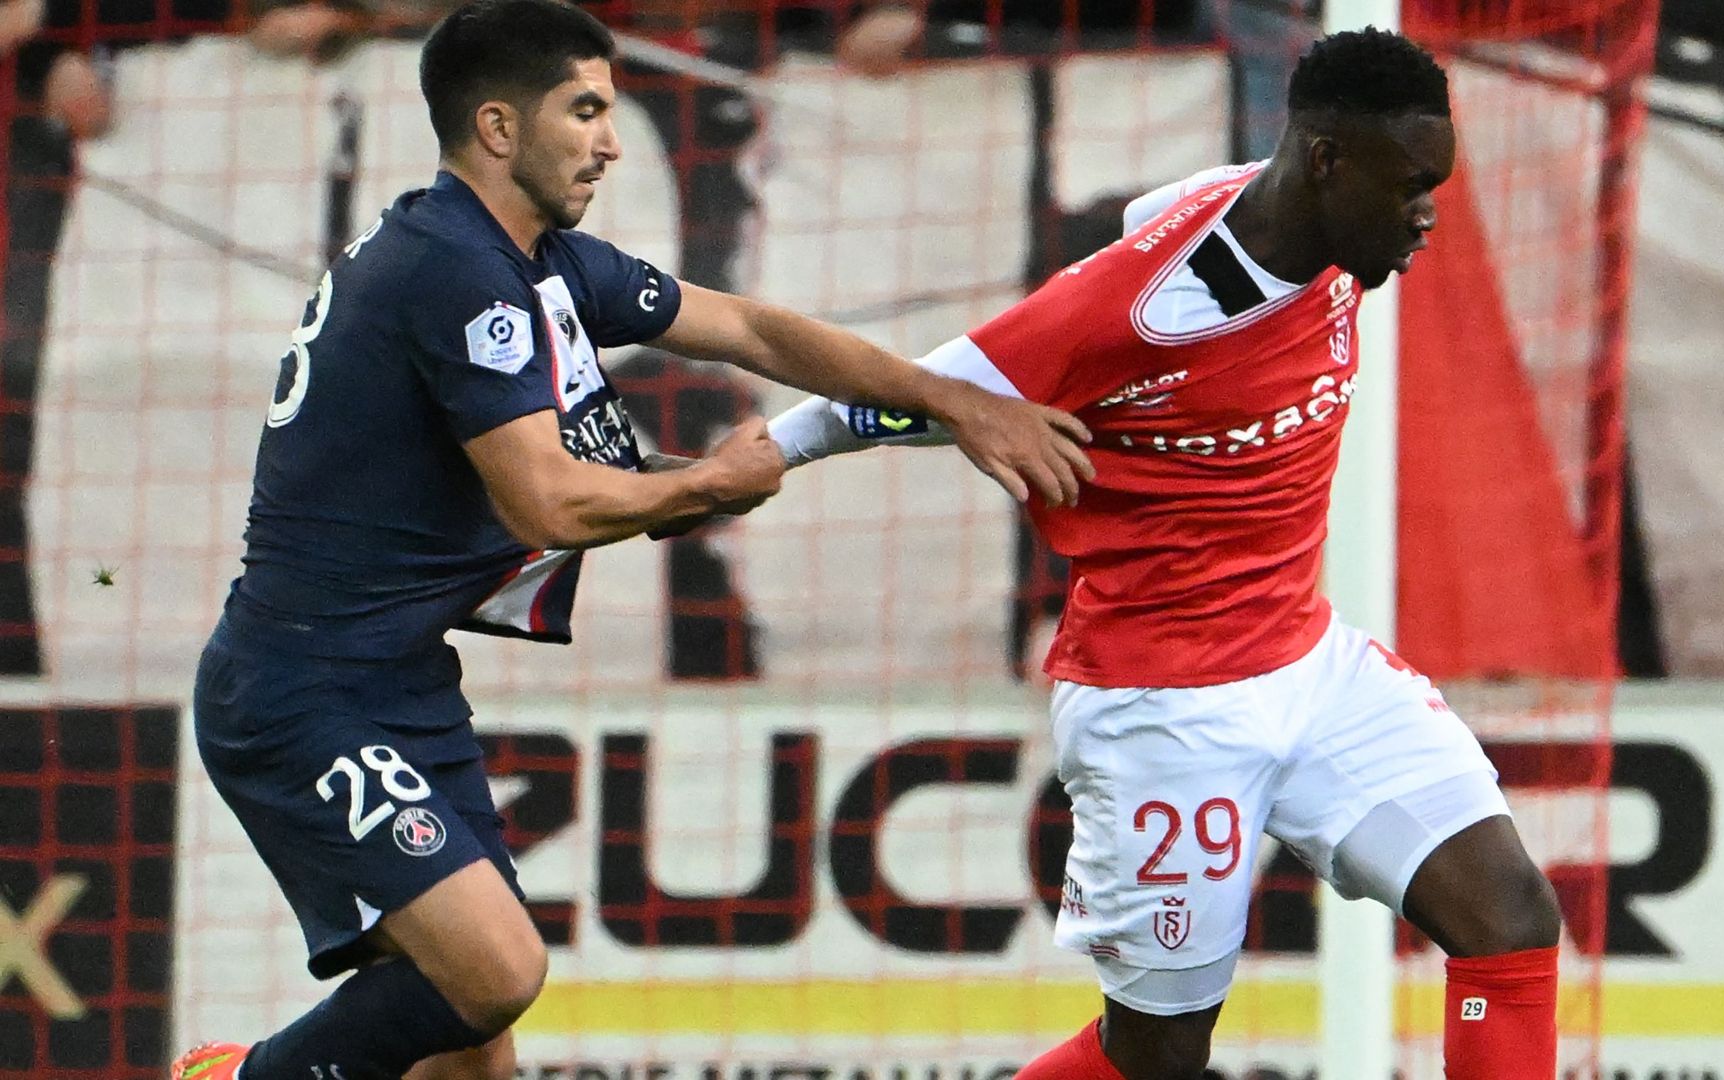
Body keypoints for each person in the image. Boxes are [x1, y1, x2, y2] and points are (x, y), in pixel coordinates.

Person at [168, 1, 1092, 1077]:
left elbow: (747, 327)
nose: (611, 139)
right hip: (300, 693)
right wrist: (705, 482)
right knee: (498, 972)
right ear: (502, 128)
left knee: (473, 1050)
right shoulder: (456, 271)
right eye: (587, 109)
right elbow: (548, 506)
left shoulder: (533, 260)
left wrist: (952, 397)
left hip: (394, 683)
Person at [767, 29, 1564, 1080]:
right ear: (1327, 159)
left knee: (1509, 914)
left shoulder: (1287, 213)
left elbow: (1171, 206)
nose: (1427, 214)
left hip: (1309, 666)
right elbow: (931, 392)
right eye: (1412, 185)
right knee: (1156, 1057)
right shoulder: (1136, 306)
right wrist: (768, 450)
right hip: (1166, 708)